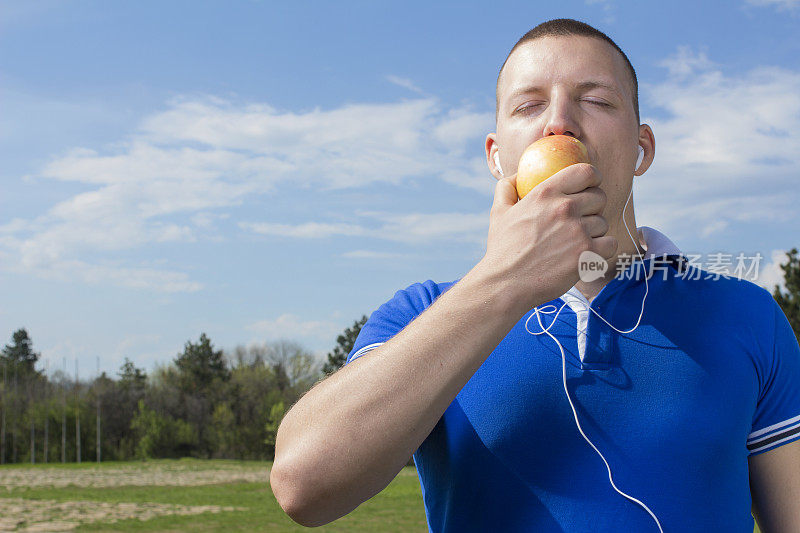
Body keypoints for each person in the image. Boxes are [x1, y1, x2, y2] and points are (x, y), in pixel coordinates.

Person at [270, 18, 800, 532]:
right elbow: (302, 488)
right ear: (496, 158)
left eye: (596, 100)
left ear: (643, 150)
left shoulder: (747, 313)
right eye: (528, 105)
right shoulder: (421, 315)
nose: (559, 122)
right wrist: (504, 281)